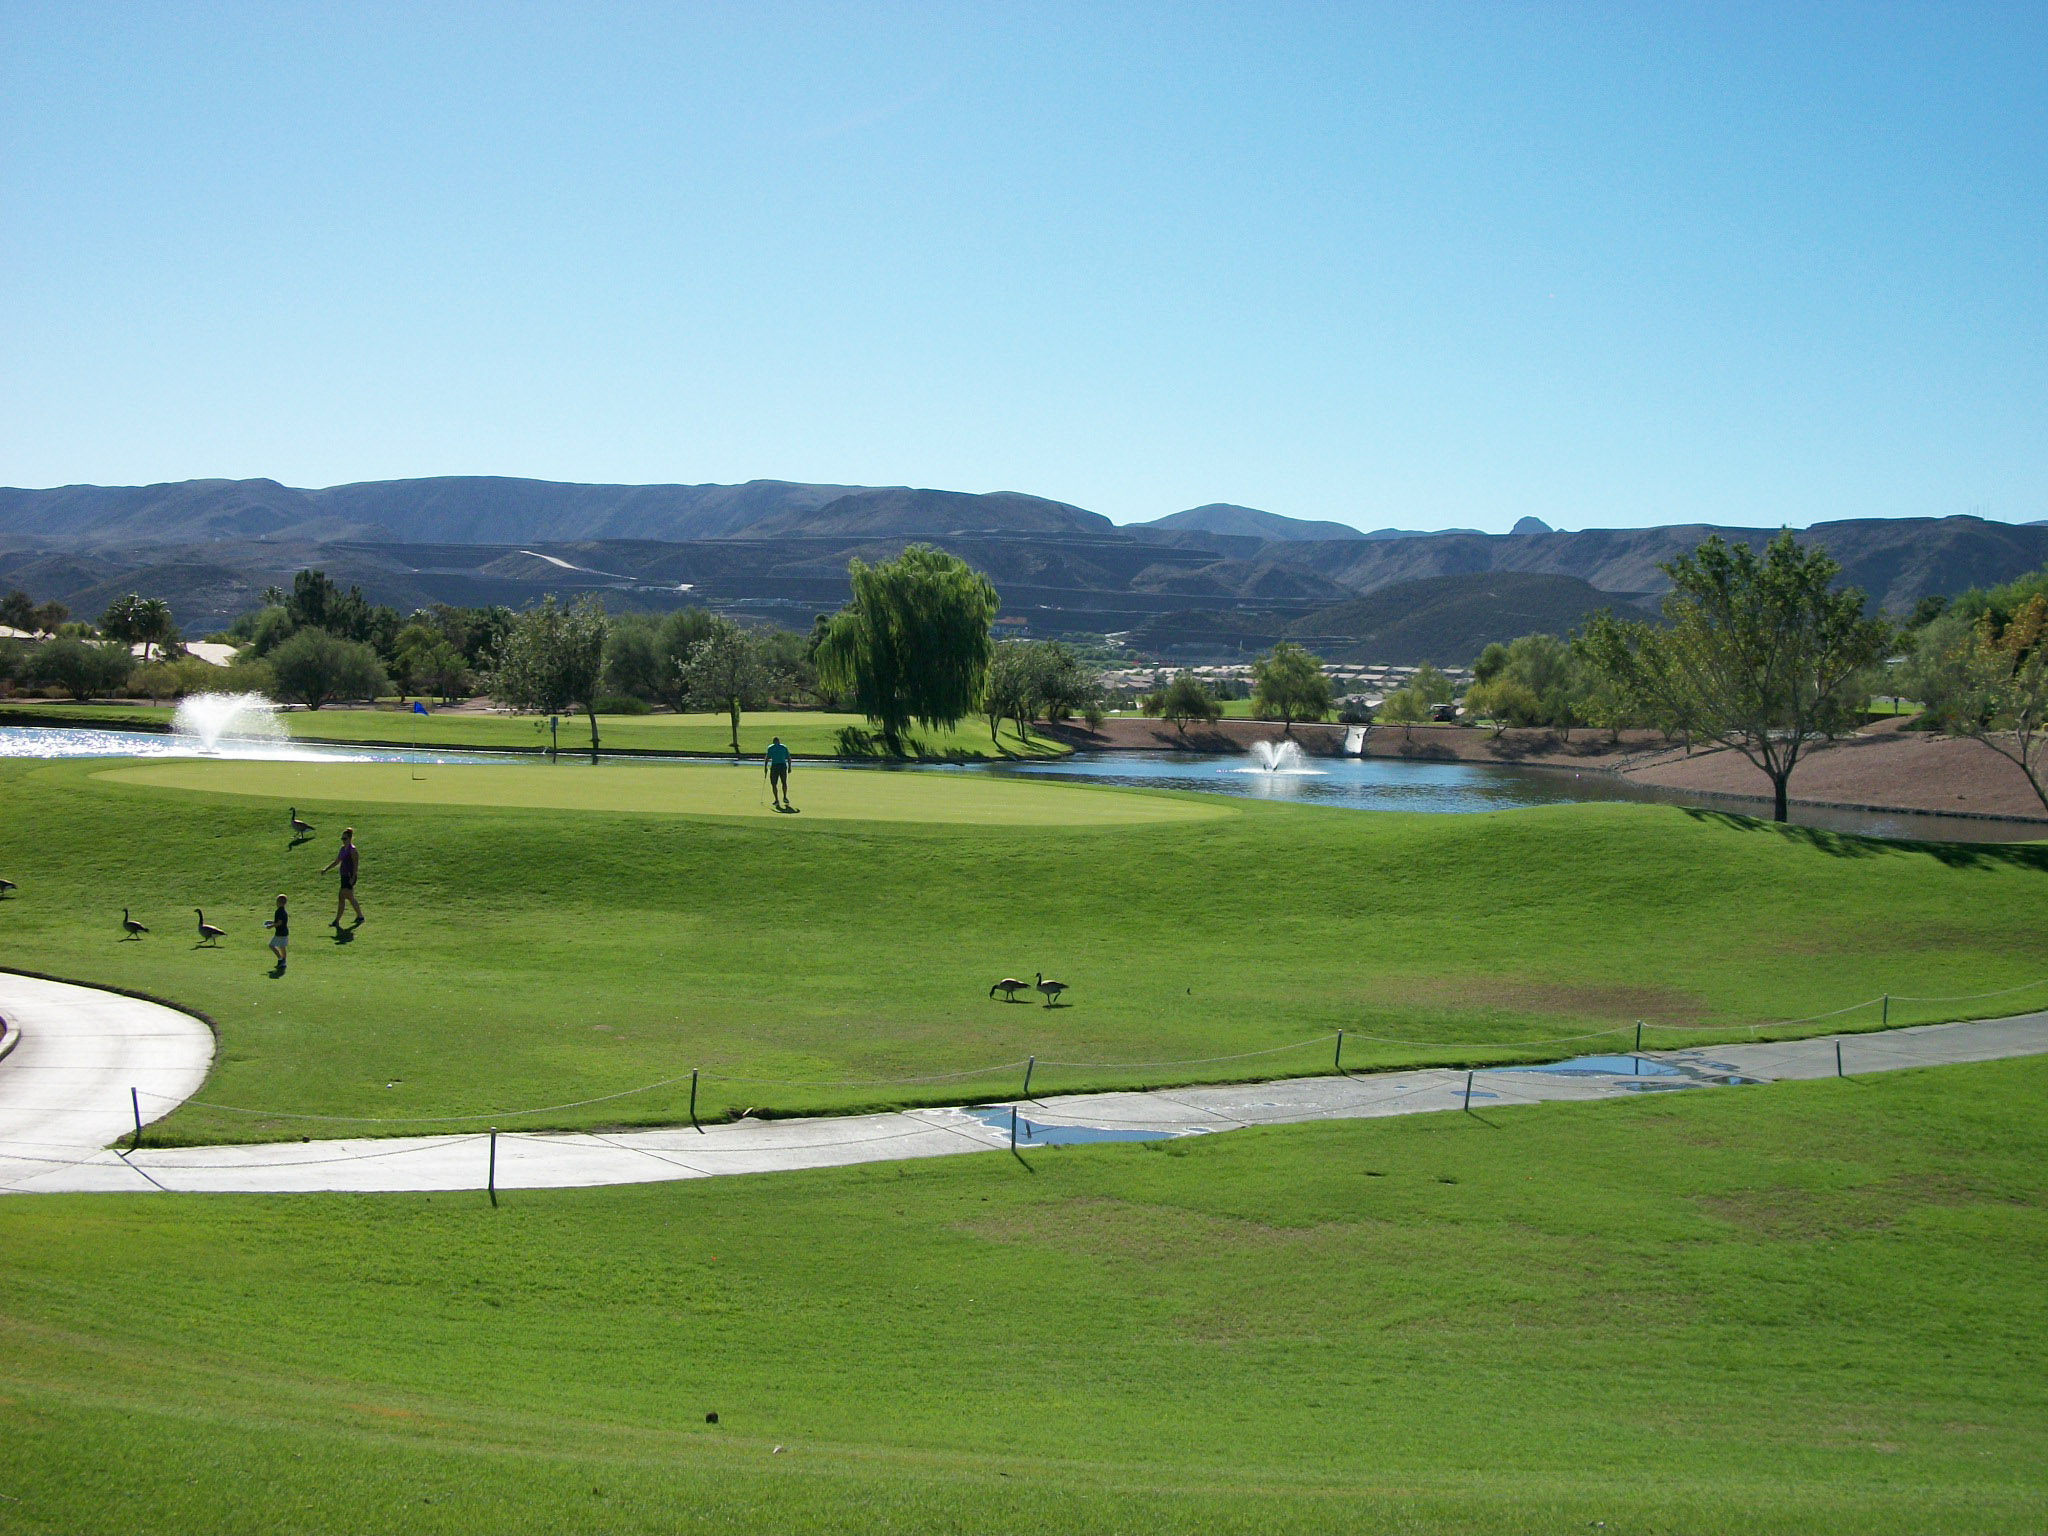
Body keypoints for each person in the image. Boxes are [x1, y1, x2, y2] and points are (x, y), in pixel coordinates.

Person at [323, 827, 364, 926]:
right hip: (343, 876)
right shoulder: (342, 849)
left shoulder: (352, 850)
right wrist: (326, 869)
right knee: (349, 897)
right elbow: (337, 861)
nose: (343, 841)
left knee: (342, 895)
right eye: (342, 839)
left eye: (345, 839)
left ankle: (336, 921)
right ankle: (360, 916)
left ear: (350, 839)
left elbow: (355, 865)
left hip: (349, 876)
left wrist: (353, 877)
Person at [764, 736, 793, 811]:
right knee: (782, 782)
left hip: (776, 767)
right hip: (782, 766)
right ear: (778, 741)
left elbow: (767, 758)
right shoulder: (783, 747)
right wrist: (789, 767)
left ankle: (777, 799)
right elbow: (789, 758)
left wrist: (765, 767)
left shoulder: (771, 747)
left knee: (775, 784)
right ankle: (784, 797)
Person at [263, 893, 289, 971]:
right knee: (282, 947)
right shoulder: (283, 911)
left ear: (278, 902)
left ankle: (281, 959)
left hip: (280, 932)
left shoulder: (278, 911)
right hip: (284, 931)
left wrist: (271, 926)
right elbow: (280, 921)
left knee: (271, 945)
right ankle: (283, 962)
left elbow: (279, 922)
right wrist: (272, 922)